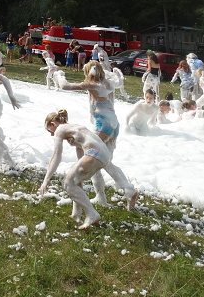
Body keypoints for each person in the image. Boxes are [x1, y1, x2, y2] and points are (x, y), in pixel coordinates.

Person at [55, 60, 137, 209]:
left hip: (103, 124)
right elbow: (118, 81)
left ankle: (103, 195)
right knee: (105, 161)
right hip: (114, 125)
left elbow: (64, 86)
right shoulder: (109, 83)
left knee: (96, 158)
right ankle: (125, 189)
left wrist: (59, 74)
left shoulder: (93, 84)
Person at [39, 109, 113, 229]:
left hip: (94, 153)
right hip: (104, 155)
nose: (52, 134)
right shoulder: (75, 128)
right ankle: (76, 214)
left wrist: (46, 180)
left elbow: (56, 155)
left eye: (50, 131)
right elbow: (81, 155)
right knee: (74, 180)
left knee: (67, 183)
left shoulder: (60, 129)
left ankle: (92, 214)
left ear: (52, 124)